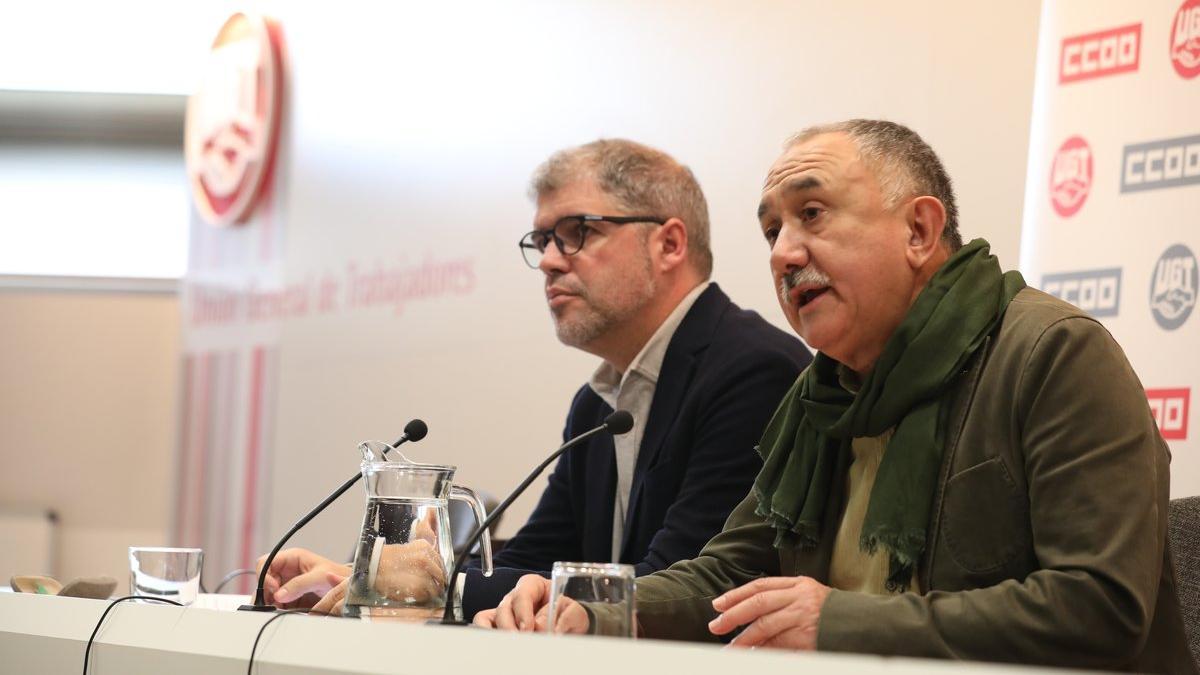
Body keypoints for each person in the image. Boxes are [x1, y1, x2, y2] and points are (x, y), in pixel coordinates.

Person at [476, 120, 1197, 673]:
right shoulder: (821, 395)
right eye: (772, 230)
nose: (784, 252)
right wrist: (587, 604)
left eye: (812, 214)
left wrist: (840, 623)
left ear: (919, 230)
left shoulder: (1052, 354)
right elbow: (731, 569)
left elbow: (1099, 607)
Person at [257, 139, 813, 619]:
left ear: (668, 244)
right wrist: (375, 574)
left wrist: (416, 588)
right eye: (542, 240)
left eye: (576, 232)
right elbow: (531, 560)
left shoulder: (749, 371)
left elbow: (677, 584)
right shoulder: (598, 405)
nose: (549, 260)